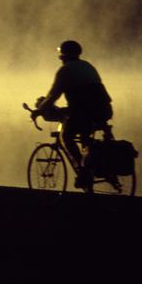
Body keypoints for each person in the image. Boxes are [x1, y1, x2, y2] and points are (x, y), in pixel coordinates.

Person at [35, 40, 112, 188]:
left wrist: (39, 110)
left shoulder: (65, 71)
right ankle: (90, 164)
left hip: (85, 112)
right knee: (84, 135)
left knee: (66, 136)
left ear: (62, 56)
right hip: (104, 110)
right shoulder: (88, 66)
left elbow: (53, 96)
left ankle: (83, 171)